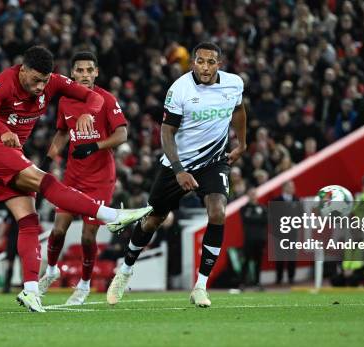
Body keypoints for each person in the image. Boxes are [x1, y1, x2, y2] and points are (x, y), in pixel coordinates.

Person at [0, 46, 152, 312]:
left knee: (29, 221)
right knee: (47, 182)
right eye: (35, 80)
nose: (41, 86)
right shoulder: (3, 83)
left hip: (10, 154)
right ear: (23, 71)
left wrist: (89, 111)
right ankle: (112, 216)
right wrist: (3, 130)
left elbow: (93, 98)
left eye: (45, 80)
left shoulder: (53, 83)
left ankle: (31, 290)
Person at [107, 42, 247, 308]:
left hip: (213, 162)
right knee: (154, 219)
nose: (205, 67)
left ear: (220, 63)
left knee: (217, 211)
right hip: (177, 163)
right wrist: (180, 169)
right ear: (193, 62)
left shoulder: (234, 84)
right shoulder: (180, 89)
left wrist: (242, 143)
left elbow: (239, 110)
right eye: (200, 61)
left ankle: (200, 286)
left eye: (211, 62)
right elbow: (167, 132)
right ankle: (124, 271)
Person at [37, 52, 128, 305]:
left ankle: (84, 285)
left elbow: (122, 135)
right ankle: (52, 270)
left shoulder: (106, 100)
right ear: (72, 73)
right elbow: (62, 133)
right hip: (73, 177)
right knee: (57, 231)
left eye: (90, 70)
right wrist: (47, 160)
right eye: (80, 70)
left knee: (88, 237)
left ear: (97, 72)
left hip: (100, 178)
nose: (85, 75)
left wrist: (95, 146)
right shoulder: (66, 100)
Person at [272, 181, 299, 285]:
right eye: (290, 186)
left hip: (292, 234)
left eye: (293, 186)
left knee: (292, 256)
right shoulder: (276, 200)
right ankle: (279, 279)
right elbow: (273, 218)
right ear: (284, 188)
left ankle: (291, 278)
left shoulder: (297, 200)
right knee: (279, 257)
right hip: (279, 234)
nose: (292, 188)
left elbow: (300, 216)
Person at [240, 187, 267, 289]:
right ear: (248, 195)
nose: (253, 195)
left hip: (260, 239)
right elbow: (246, 220)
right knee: (246, 261)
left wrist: (253, 218)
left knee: (258, 261)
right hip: (249, 238)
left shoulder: (263, 208)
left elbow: (265, 221)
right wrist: (257, 218)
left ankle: (257, 283)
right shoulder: (244, 208)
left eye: (254, 193)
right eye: (251, 193)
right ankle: (242, 283)